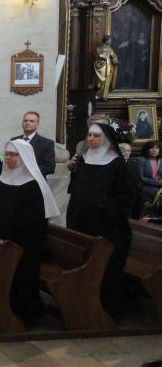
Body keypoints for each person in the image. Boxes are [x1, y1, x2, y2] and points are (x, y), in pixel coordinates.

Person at [0, 140, 60, 324]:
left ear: (24, 157)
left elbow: (34, 219)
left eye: (13, 155)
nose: (9, 158)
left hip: (25, 244)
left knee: (23, 279)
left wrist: (10, 229)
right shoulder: (1, 179)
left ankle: (26, 315)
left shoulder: (33, 184)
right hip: (4, 240)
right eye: (7, 154)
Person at [67, 123, 134, 320]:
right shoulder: (83, 159)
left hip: (107, 225)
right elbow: (75, 190)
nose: (91, 139)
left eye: (96, 136)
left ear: (106, 139)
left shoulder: (116, 163)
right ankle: (81, 306)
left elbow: (127, 195)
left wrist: (104, 205)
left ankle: (107, 308)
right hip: (82, 222)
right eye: (89, 135)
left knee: (106, 267)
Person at [11, 111, 56, 178]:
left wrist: (27, 171)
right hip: (15, 180)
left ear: (37, 124)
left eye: (31, 121)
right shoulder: (14, 140)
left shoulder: (47, 143)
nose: (27, 123)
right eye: (25, 121)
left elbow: (50, 168)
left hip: (34, 181)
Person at [94, 35, 119, 99]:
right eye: (110, 40)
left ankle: (101, 94)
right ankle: (102, 95)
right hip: (105, 66)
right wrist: (116, 61)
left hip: (102, 67)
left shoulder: (99, 49)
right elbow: (114, 58)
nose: (111, 41)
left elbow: (97, 57)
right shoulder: (108, 49)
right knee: (105, 80)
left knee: (103, 80)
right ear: (107, 41)